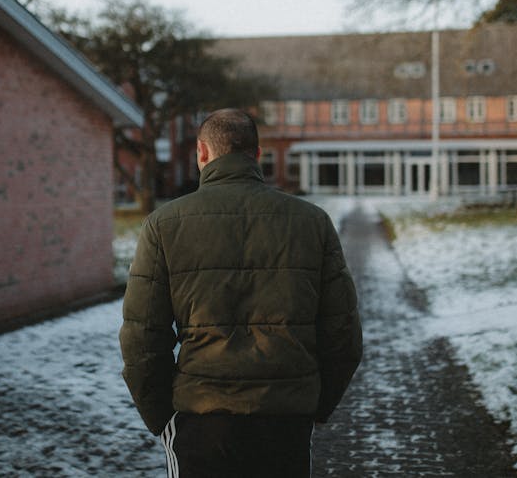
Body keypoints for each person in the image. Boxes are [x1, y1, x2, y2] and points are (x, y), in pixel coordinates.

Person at [119, 108, 362, 478]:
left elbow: (142, 337)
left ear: (201, 153)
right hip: (285, 422)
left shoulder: (164, 225)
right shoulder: (312, 223)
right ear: (258, 155)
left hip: (202, 421)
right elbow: (342, 334)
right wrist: (312, 406)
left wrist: (163, 417)